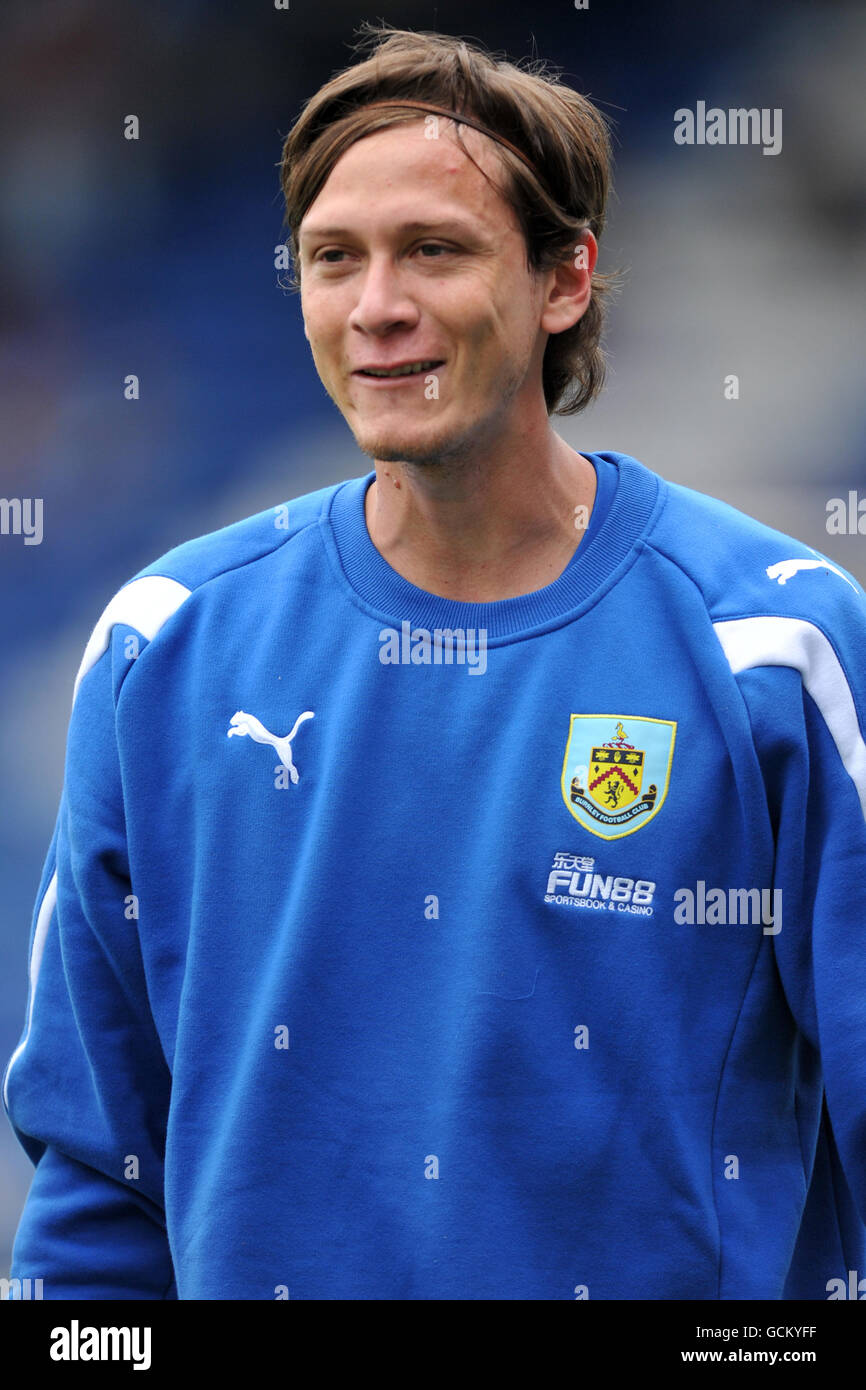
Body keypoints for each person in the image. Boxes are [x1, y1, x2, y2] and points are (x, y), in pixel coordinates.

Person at [4, 22, 866, 1301]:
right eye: (332, 259)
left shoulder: (775, 648)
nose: (376, 307)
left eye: (435, 251)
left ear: (563, 278)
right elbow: (93, 1188)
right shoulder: (164, 643)